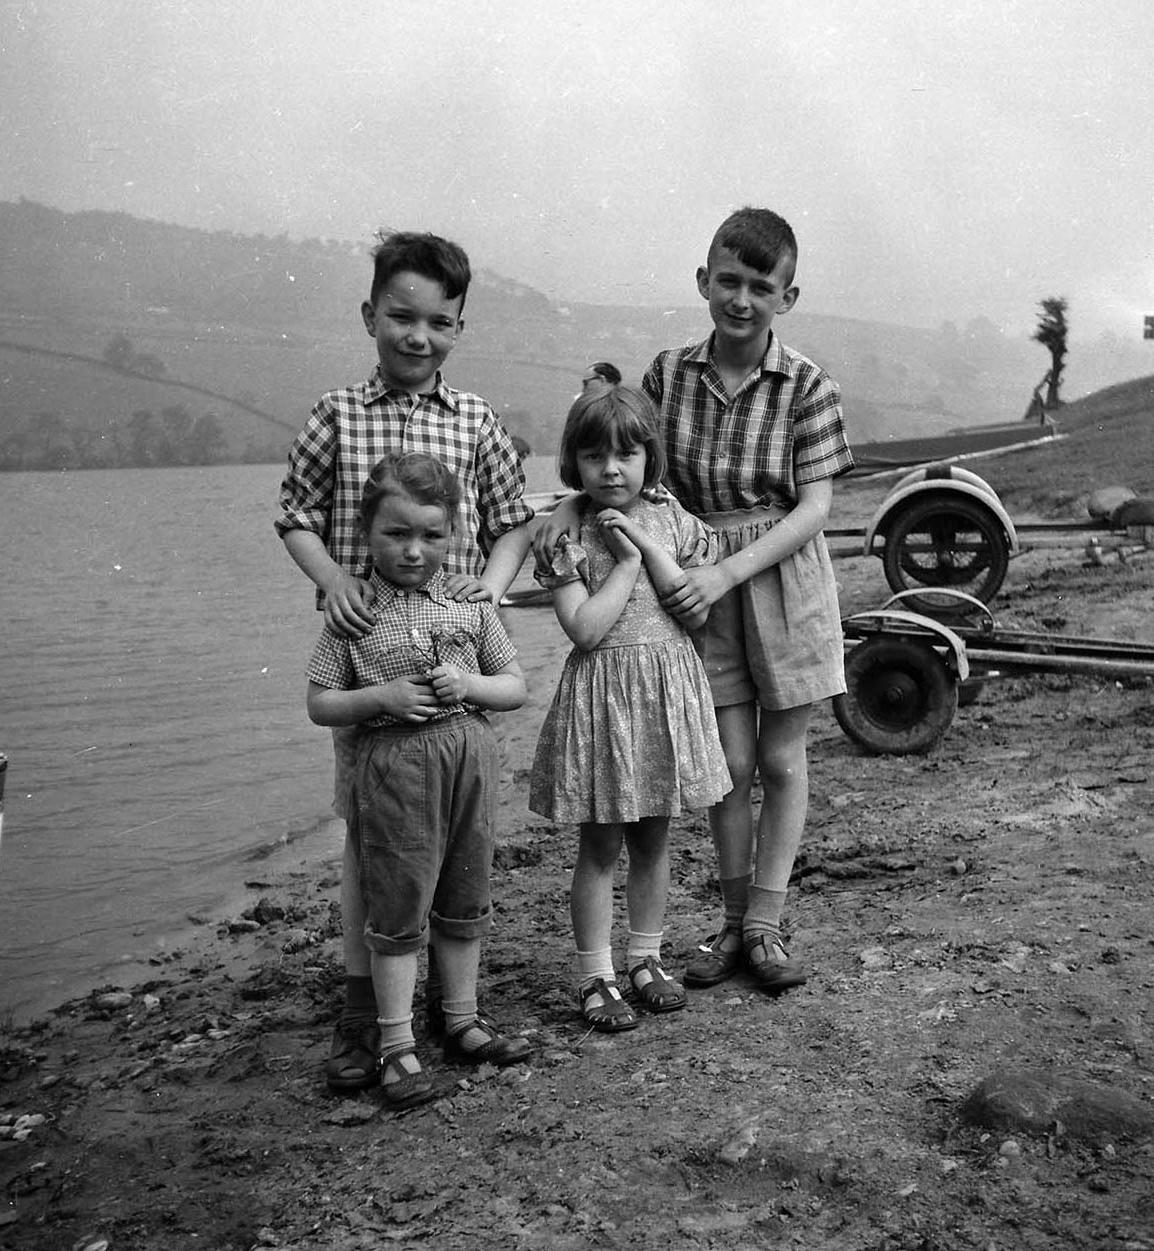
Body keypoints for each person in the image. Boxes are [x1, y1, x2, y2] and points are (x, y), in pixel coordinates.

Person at [536, 206, 855, 997]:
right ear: (703, 280)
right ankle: (730, 914)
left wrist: (725, 573)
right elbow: (629, 468)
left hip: (776, 574)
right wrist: (571, 514)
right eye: (727, 280)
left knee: (779, 759)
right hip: (685, 569)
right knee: (726, 761)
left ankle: (765, 925)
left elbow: (814, 509)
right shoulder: (669, 372)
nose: (740, 298)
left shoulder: (808, 385)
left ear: (788, 295)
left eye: (760, 286)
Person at [276, 231, 534, 1092]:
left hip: (448, 655)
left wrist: (488, 593)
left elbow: (513, 522)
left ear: (458, 327)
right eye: (400, 317)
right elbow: (295, 512)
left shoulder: (474, 419)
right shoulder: (335, 412)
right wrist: (331, 579)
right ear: (369, 314)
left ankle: (439, 1010)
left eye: (437, 322)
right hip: (365, 650)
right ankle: (367, 1013)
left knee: (441, 842)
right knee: (367, 835)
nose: (416, 336)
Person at [306, 452, 532, 1108]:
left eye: (431, 536)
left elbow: (514, 686)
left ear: (454, 533)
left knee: (465, 893)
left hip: (468, 762)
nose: (413, 550)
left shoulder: (469, 602)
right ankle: (396, 1040)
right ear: (364, 530)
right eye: (395, 534)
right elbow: (320, 702)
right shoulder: (351, 613)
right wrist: (381, 697)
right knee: (397, 904)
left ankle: (460, 1017)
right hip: (393, 770)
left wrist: (467, 684)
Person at [529, 385, 731, 1032]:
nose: (610, 469)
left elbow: (685, 595)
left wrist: (644, 541)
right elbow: (585, 631)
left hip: (663, 692)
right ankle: (596, 974)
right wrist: (620, 564)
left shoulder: (669, 518)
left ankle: (644, 959)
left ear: (650, 457)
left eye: (626, 454)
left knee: (653, 837)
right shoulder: (566, 536)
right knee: (598, 846)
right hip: (604, 698)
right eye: (593, 456)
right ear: (573, 463)